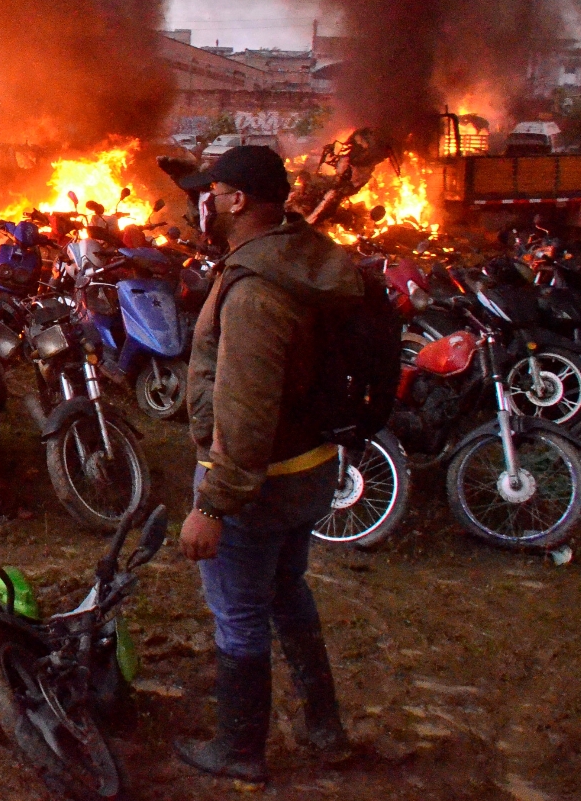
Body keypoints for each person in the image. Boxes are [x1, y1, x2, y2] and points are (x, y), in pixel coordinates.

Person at [172, 144, 362, 784]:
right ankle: (324, 726)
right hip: (309, 468)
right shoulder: (300, 255)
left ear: (237, 200)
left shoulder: (256, 289)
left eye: (211, 192)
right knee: (287, 591)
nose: (202, 203)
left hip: (260, 482)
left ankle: (240, 749)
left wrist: (211, 504)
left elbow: (246, 408)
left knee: (240, 612)